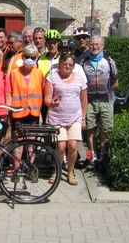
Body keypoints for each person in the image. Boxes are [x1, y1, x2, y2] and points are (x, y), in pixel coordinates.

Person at [44, 53, 88, 185]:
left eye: (70, 64)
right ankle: (56, 171)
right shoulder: (52, 76)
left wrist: (83, 118)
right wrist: (52, 103)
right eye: (65, 64)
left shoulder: (80, 79)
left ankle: (70, 172)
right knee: (61, 146)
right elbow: (46, 98)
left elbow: (84, 100)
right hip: (57, 117)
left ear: (74, 66)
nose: (67, 66)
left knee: (73, 145)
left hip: (75, 117)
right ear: (60, 64)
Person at [80, 36, 118, 165]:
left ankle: (102, 156)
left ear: (102, 46)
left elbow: (115, 82)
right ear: (89, 46)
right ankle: (91, 156)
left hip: (106, 101)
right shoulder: (84, 62)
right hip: (89, 101)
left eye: (97, 44)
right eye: (92, 44)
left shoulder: (109, 61)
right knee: (90, 131)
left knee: (105, 130)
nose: (94, 47)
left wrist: (106, 91)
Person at [8, 44, 45, 132]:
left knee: (31, 141)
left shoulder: (39, 73)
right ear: (22, 56)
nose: (29, 59)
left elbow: (44, 91)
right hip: (18, 113)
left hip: (33, 113)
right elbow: (9, 93)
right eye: (27, 56)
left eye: (32, 57)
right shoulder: (14, 73)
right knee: (19, 141)